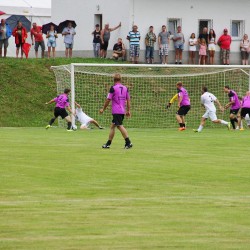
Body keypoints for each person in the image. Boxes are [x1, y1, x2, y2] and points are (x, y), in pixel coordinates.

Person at [99, 73, 132, 149]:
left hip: (116, 111)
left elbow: (108, 100)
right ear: (120, 79)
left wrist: (103, 109)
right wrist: (128, 110)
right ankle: (108, 143)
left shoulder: (113, 88)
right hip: (122, 111)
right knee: (112, 126)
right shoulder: (125, 88)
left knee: (119, 126)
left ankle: (128, 142)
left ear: (113, 80)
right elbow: (128, 100)